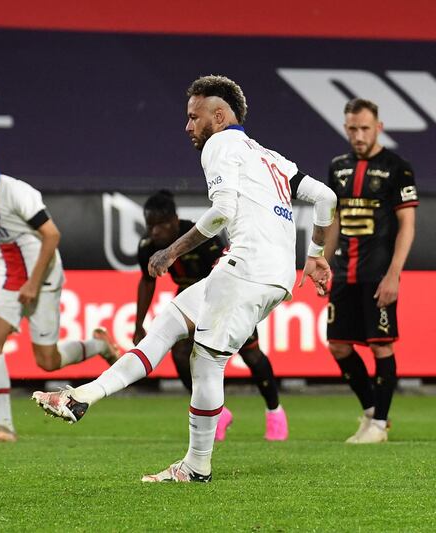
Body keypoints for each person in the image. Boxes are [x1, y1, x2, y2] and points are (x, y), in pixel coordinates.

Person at [34, 75, 336, 482]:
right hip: (272, 273)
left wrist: (171, 250)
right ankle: (80, 396)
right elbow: (326, 198)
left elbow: (222, 211)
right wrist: (315, 254)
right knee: (165, 327)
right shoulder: (269, 157)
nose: (188, 126)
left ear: (219, 114)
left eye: (194, 117)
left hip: (248, 268)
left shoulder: (220, 144)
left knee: (207, 364)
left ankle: (196, 467)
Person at [0, 132, 121, 443]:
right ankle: (4, 427)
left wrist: (33, 282)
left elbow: (52, 235)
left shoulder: (16, 192)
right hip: (7, 274)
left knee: (47, 362)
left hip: (42, 274)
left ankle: (99, 346)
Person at [135, 190, 288, 441]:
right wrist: (138, 323)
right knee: (181, 355)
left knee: (251, 353)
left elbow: (226, 273)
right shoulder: (148, 247)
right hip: (189, 299)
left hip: (227, 292)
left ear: (174, 220)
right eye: (150, 226)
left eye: (160, 225)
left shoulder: (204, 239)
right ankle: (217, 413)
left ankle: (275, 412)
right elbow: (147, 282)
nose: (154, 232)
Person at [324, 98, 418, 444]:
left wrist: (395, 273)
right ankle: (369, 412)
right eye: (352, 128)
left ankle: (380, 423)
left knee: (381, 346)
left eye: (364, 128)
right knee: (338, 346)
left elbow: (407, 224)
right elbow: (334, 221)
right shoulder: (338, 166)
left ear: (378, 127)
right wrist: (322, 260)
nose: (358, 135)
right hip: (344, 272)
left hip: (378, 273)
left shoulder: (397, 167)